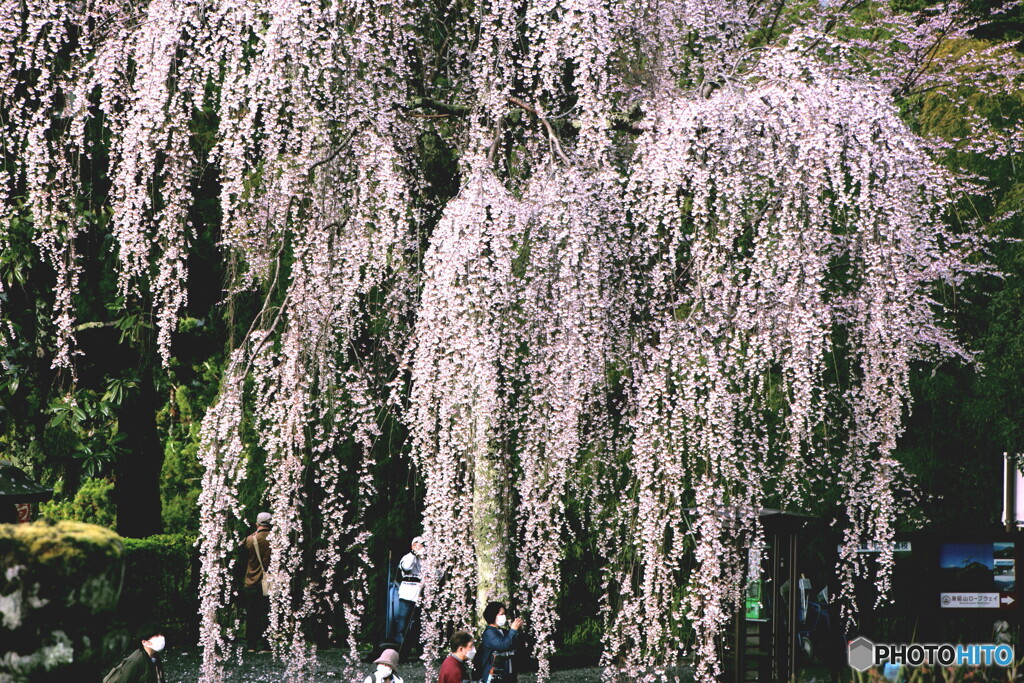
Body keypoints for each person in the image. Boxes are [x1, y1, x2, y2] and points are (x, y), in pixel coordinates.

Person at [241, 511, 272, 652]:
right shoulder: (275, 539)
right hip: (269, 582)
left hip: (252, 581)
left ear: (257, 524)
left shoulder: (249, 540)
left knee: (252, 614)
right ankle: (266, 644)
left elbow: (242, 557)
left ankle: (251, 645)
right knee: (268, 613)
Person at [477, 602, 523, 683]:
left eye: (504, 614)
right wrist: (512, 631)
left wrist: (517, 630)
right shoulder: (489, 633)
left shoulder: (502, 631)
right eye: (501, 614)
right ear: (493, 615)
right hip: (494, 673)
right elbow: (502, 645)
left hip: (507, 671)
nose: (504, 616)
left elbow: (513, 644)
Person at [392, 536, 425, 644]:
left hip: (421, 594)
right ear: (412, 546)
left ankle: (419, 648)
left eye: (421, 544)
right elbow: (407, 568)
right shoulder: (407, 557)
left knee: (420, 623)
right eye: (416, 544)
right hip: (407, 593)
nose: (419, 546)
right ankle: (401, 648)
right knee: (403, 621)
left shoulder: (427, 560)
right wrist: (414, 554)